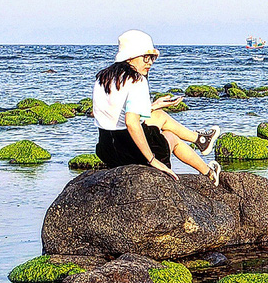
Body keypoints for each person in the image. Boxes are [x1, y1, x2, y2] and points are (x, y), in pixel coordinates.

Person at [93, 30, 222, 184]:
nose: (150, 62)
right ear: (131, 56)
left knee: (158, 114)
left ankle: (200, 140)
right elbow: (131, 122)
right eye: (146, 57)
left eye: (152, 58)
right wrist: (152, 160)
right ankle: (209, 173)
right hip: (132, 152)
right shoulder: (136, 80)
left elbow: (115, 115)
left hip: (107, 149)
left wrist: (154, 106)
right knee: (172, 137)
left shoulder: (103, 78)